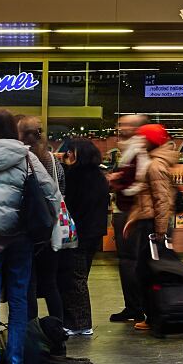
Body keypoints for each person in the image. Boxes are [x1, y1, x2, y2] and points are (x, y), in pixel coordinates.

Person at [0, 110, 61, 364]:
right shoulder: (26, 157)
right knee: (18, 298)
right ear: (13, 131)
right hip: (19, 236)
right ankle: (15, 357)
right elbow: (50, 191)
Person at [123, 123, 179, 333]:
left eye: (142, 138)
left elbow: (162, 200)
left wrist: (160, 232)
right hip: (149, 223)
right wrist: (133, 220)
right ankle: (155, 314)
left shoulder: (155, 165)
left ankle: (156, 315)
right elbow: (148, 198)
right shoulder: (155, 162)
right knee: (147, 270)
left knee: (148, 272)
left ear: (150, 141)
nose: (139, 142)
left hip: (153, 226)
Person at [58, 138, 109, 337]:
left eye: (71, 151)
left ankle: (80, 323)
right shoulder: (99, 176)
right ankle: (78, 322)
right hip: (95, 233)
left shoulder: (75, 176)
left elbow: (70, 205)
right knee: (81, 275)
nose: (68, 155)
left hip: (78, 233)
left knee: (75, 278)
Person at [19, 116, 64, 322]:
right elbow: (61, 192)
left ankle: (31, 330)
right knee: (51, 283)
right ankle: (58, 326)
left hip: (27, 228)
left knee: (29, 283)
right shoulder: (53, 161)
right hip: (50, 226)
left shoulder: (20, 159)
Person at [107, 114, 148, 324]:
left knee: (129, 261)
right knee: (127, 261)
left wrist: (117, 183)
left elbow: (140, 183)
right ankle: (133, 306)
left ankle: (136, 307)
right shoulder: (130, 149)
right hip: (126, 210)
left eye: (126, 125)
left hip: (130, 212)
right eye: (120, 124)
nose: (121, 128)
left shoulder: (138, 151)